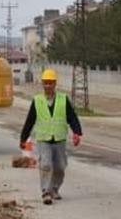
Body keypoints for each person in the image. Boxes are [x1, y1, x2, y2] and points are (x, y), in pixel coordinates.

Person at [18, 68, 82, 205]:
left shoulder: (63, 99)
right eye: (45, 83)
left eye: (50, 83)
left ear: (55, 84)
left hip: (59, 138)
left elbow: (72, 117)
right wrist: (23, 138)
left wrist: (77, 132)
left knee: (60, 167)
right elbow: (30, 121)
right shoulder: (37, 100)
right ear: (42, 84)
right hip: (44, 139)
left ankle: (54, 189)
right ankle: (46, 192)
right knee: (46, 164)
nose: (48, 86)